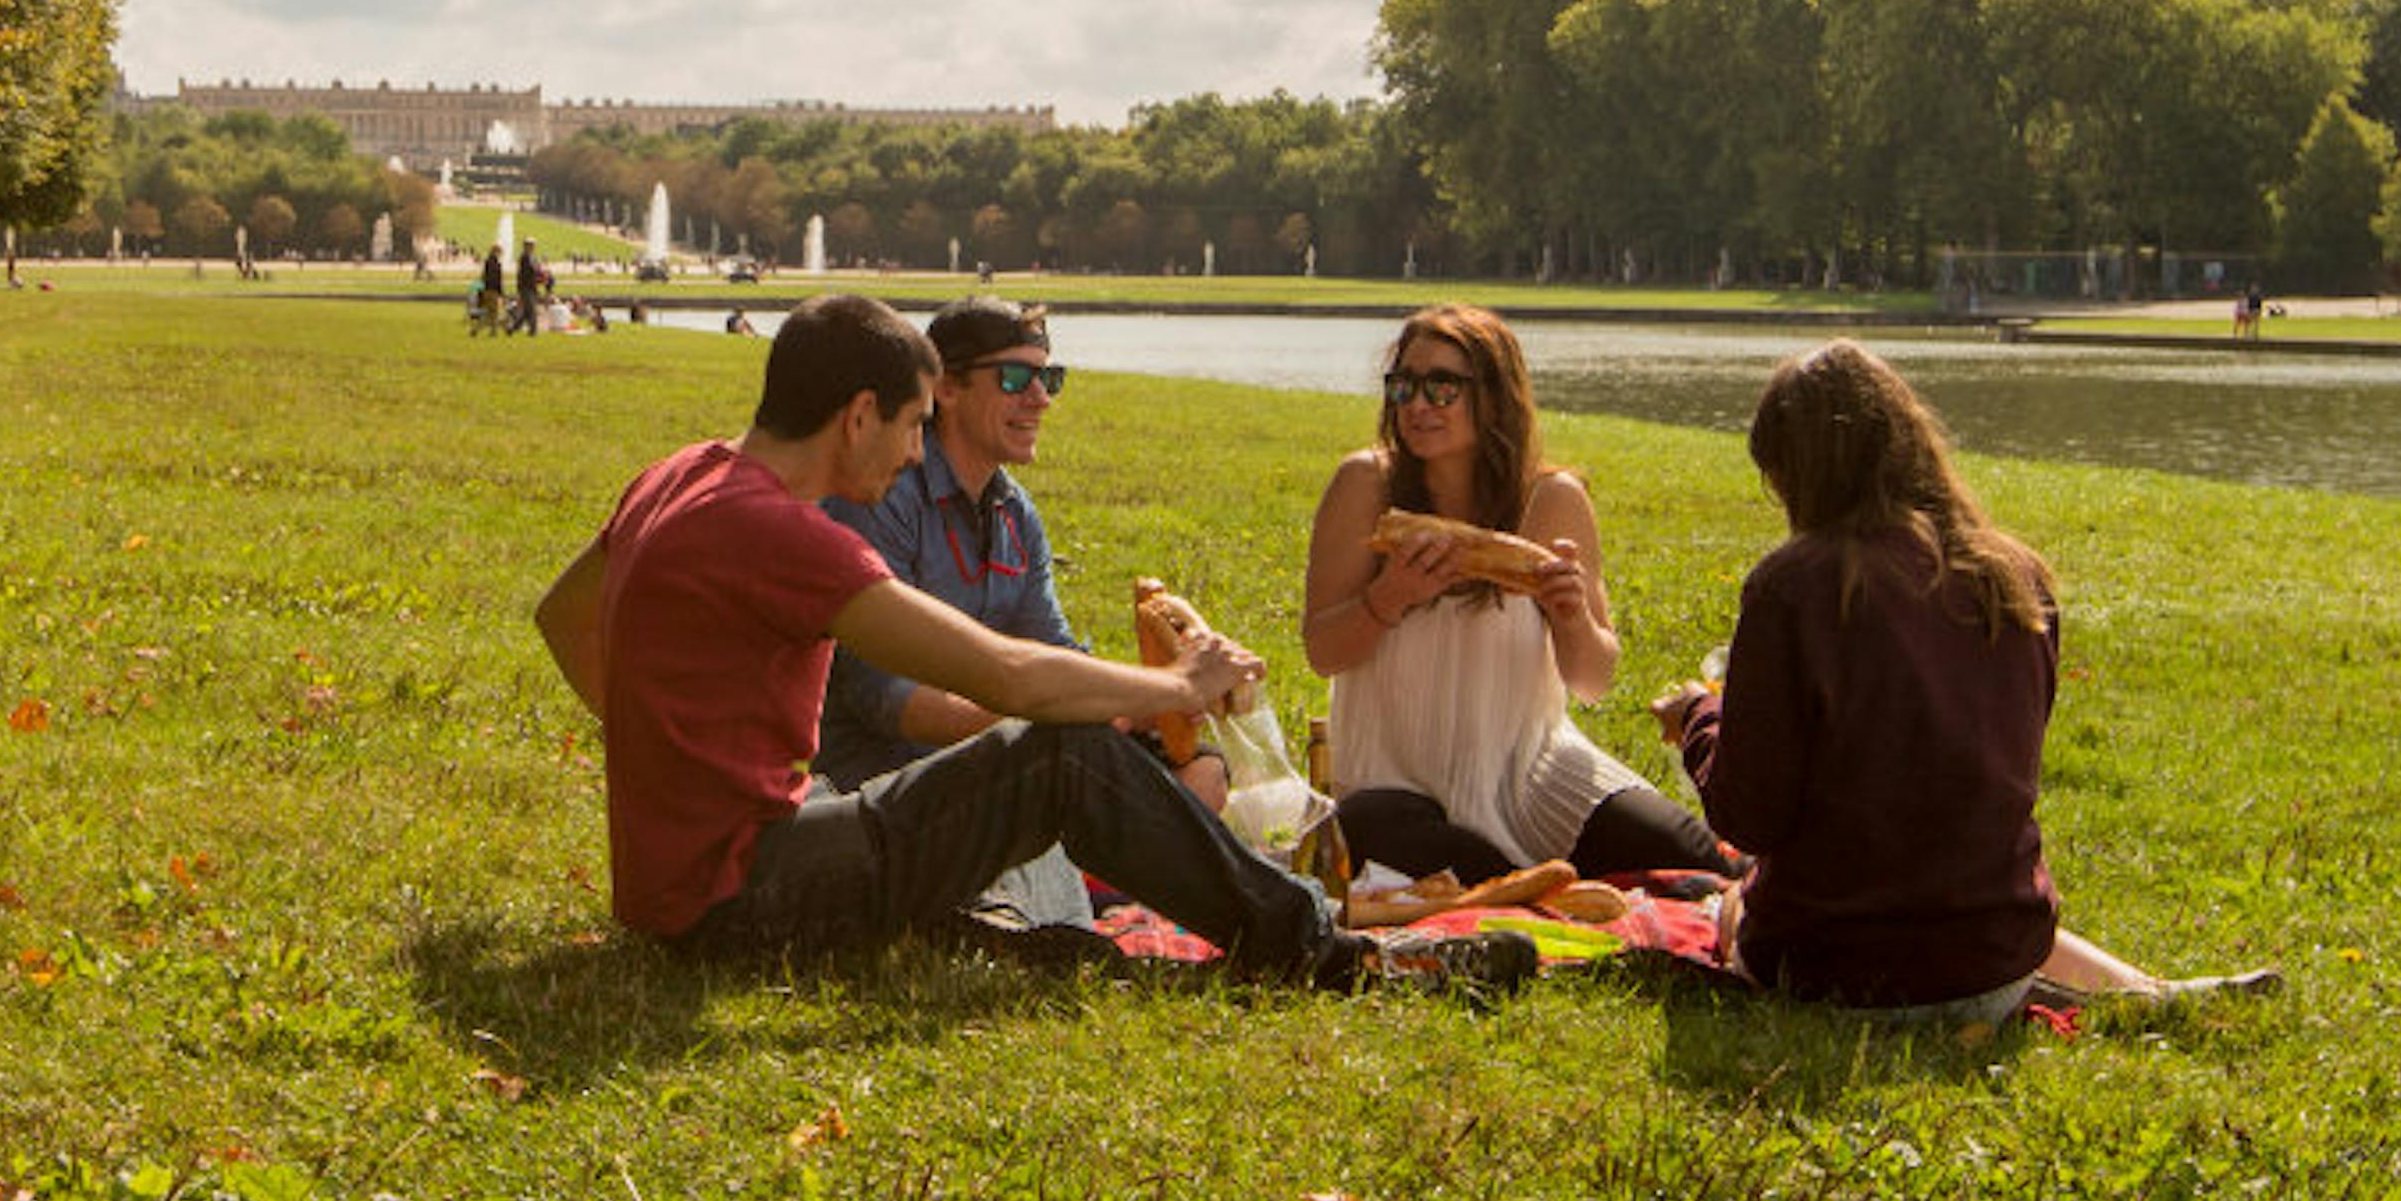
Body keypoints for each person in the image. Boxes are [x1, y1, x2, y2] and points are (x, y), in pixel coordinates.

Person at [534, 293, 1413, 987]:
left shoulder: (679, 474)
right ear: (858, 415)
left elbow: (562, 616)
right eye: (914, 423)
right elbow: (1008, 678)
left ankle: (1018, 931)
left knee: (1015, 795)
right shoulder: (787, 535)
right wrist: (1183, 685)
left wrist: (666, 756)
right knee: (1061, 758)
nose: (916, 453)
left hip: (687, 886)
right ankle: (1318, 949)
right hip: (741, 898)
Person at [1667, 342, 2258, 1020]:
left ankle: (2140, 994)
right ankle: (2142, 995)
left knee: (1736, 899)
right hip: (1995, 959)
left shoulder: (1794, 587)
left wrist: (1698, 722)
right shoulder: (2015, 576)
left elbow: (1750, 816)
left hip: (1834, 971)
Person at [817, 307, 1225, 933]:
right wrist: (1046, 726)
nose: (1041, 399)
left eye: (1049, 378)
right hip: (890, 784)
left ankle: (1078, 870)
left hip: (1008, 767)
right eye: (1015, 379)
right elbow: (885, 700)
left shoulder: (1013, 513)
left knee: (1204, 773)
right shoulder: (884, 496)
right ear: (945, 389)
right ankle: (1075, 883)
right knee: (1090, 799)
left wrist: (1139, 701)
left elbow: (1054, 649)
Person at [1300, 304, 1730, 887]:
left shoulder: (1551, 499)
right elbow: (1324, 652)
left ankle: (1525, 882)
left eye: (1441, 386)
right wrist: (1390, 597)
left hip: (1532, 772)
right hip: (1395, 783)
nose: (1418, 405)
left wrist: (1572, 615)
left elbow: (1593, 681)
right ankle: (1526, 885)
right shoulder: (1364, 485)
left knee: (1690, 857)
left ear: (1496, 396)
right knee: (1369, 827)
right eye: (1403, 386)